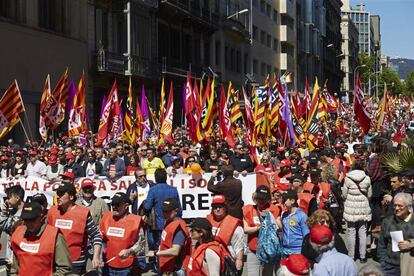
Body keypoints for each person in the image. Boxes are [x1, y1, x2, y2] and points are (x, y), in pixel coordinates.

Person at [47, 182, 102, 274]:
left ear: (71, 197)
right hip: (55, 261)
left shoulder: (83, 213)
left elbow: (96, 235)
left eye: (61, 194)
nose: (58, 196)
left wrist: (96, 257)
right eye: (58, 193)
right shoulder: (52, 212)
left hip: (75, 262)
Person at [10, 201, 72, 275]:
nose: (29, 223)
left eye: (32, 219)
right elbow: (15, 266)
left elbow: (65, 268)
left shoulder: (54, 235)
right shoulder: (18, 233)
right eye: (26, 219)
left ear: (42, 217)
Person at [100, 192, 145, 275]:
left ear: (126, 206)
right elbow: (100, 238)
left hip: (126, 267)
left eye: (117, 205)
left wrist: (129, 251)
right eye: (113, 204)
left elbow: (141, 244)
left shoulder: (135, 221)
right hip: (108, 264)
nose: (114, 207)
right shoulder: (106, 217)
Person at [243, 185, 281, 275]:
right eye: (259, 198)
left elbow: (280, 227)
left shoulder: (274, 209)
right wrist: (259, 227)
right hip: (253, 249)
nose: (261, 201)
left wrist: (270, 219)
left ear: (268, 198)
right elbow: (245, 229)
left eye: (264, 199)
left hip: (269, 249)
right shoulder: (248, 209)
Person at [144, 169, 182, 252]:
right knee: (172, 247)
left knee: (160, 248)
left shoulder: (153, 190)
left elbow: (147, 206)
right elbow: (179, 209)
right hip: (172, 223)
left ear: (156, 178)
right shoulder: (173, 190)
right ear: (166, 178)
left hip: (159, 224)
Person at [342, 160, 372, 262]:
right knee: (363, 232)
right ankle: (363, 256)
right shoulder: (367, 178)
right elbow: (370, 194)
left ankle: (351, 256)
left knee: (351, 232)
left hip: (351, 208)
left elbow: (344, 195)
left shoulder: (347, 178)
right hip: (363, 207)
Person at [378, 192, 414, 276]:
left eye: (400, 206)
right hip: (390, 266)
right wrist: (383, 262)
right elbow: (381, 245)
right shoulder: (387, 222)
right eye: (395, 205)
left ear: (409, 207)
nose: (396, 208)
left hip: (410, 266)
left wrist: (411, 244)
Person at [206, 195, 244, 272]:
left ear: (226, 208)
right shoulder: (207, 221)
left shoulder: (234, 224)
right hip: (209, 260)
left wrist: (239, 260)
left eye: (220, 207)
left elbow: (239, 246)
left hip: (226, 261)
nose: (218, 209)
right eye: (215, 207)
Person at [155, 198, 191, 275]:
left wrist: (157, 253)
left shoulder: (178, 228)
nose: (165, 214)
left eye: (168, 211)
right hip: (167, 265)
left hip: (175, 268)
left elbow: (175, 251)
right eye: (164, 211)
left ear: (176, 211)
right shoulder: (169, 222)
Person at [280, 190, 309, 256]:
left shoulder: (301, 215)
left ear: (292, 201)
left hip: (298, 251)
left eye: (285, 200)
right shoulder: (284, 215)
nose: (283, 203)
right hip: (285, 251)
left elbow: (306, 235)